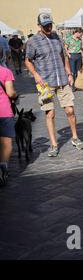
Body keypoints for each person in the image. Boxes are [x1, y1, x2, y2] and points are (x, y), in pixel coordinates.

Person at [25, 13, 83, 157]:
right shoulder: (33, 41)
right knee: (50, 113)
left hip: (62, 79)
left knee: (70, 110)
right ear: (39, 26)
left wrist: (69, 73)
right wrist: (36, 75)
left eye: (50, 24)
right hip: (46, 82)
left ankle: (75, 137)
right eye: (45, 25)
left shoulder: (57, 37)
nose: (49, 27)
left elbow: (64, 57)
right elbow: (27, 60)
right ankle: (54, 144)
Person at [0, 46, 17, 186]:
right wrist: (15, 95)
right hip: (4, 111)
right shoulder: (5, 72)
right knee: (6, 142)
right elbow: (11, 93)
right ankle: (3, 166)